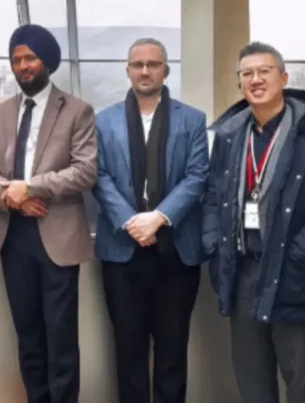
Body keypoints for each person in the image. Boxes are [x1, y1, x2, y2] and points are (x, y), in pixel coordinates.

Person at [0, 24, 97, 403]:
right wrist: (12, 197)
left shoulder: (77, 110)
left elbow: (85, 171)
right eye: (16, 60)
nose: (23, 66)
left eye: (30, 58)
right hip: (14, 235)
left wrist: (30, 187)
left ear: (47, 61)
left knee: (61, 336)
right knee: (28, 335)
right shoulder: (1, 112)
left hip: (57, 236)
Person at [92, 38, 209, 403]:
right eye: (138, 64)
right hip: (122, 250)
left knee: (173, 351)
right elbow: (99, 176)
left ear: (165, 70)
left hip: (176, 251)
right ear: (127, 70)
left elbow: (197, 176)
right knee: (128, 350)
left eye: (153, 64)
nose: (145, 71)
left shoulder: (192, 119)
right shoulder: (103, 121)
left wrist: (158, 218)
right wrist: (131, 222)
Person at [203, 41, 305, 403]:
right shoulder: (230, 135)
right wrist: (213, 242)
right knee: (252, 376)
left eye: (264, 71)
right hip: (244, 270)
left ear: (284, 78)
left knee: (303, 378)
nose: (255, 80)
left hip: (296, 272)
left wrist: (300, 253)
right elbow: (212, 193)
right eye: (247, 74)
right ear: (240, 83)